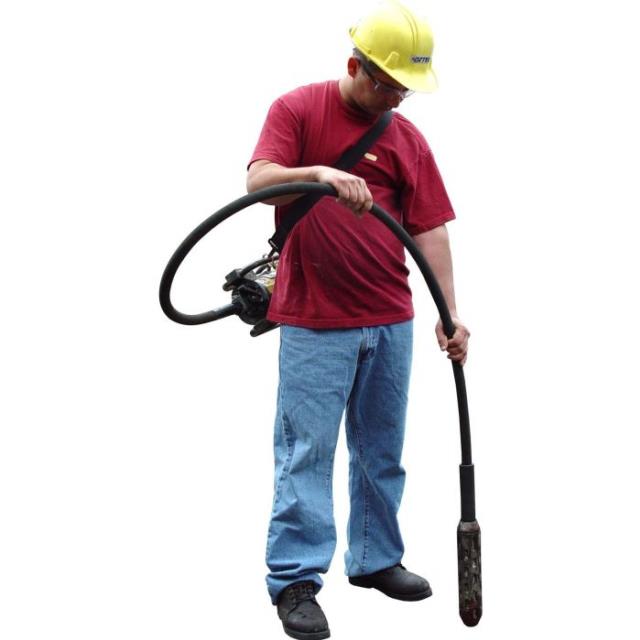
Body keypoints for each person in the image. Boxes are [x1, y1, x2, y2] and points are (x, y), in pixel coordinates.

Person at [246, 2, 470, 638]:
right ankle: (296, 579)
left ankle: (375, 559)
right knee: (307, 452)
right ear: (355, 67)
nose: (397, 98)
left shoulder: (407, 139)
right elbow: (259, 181)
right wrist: (319, 173)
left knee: (381, 449)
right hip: (316, 319)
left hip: (390, 318)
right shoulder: (298, 110)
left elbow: (430, 227)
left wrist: (450, 312)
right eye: (388, 84)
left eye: (405, 88)